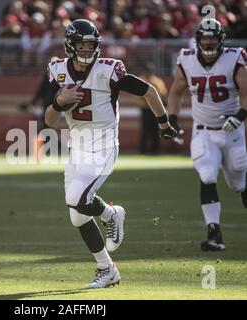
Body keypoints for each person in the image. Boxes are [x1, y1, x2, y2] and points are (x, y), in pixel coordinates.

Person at [45, 19, 177, 288]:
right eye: (81, 45)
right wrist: (58, 103)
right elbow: (48, 120)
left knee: (76, 198)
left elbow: (149, 90)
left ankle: (110, 214)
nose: (86, 50)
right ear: (70, 45)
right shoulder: (58, 70)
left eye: (90, 45)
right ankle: (107, 268)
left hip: (104, 146)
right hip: (77, 148)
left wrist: (163, 122)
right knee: (77, 214)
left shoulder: (109, 70)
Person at [168, 18, 247, 251]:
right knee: (207, 176)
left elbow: (246, 91)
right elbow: (176, 91)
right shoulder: (187, 59)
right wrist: (172, 119)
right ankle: (214, 233)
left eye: (213, 37)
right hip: (202, 131)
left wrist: (240, 116)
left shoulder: (234, 57)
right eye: (206, 37)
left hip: (231, 130)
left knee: (240, 182)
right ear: (198, 40)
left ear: (221, 40)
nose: (209, 41)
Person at [138, 62, 168, 154]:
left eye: (149, 70)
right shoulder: (140, 79)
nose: (147, 72)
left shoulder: (157, 81)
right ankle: (143, 151)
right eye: (146, 70)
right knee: (145, 130)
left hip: (155, 110)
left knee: (155, 130)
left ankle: (154, 151)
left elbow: (163, 95)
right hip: (145, 109)